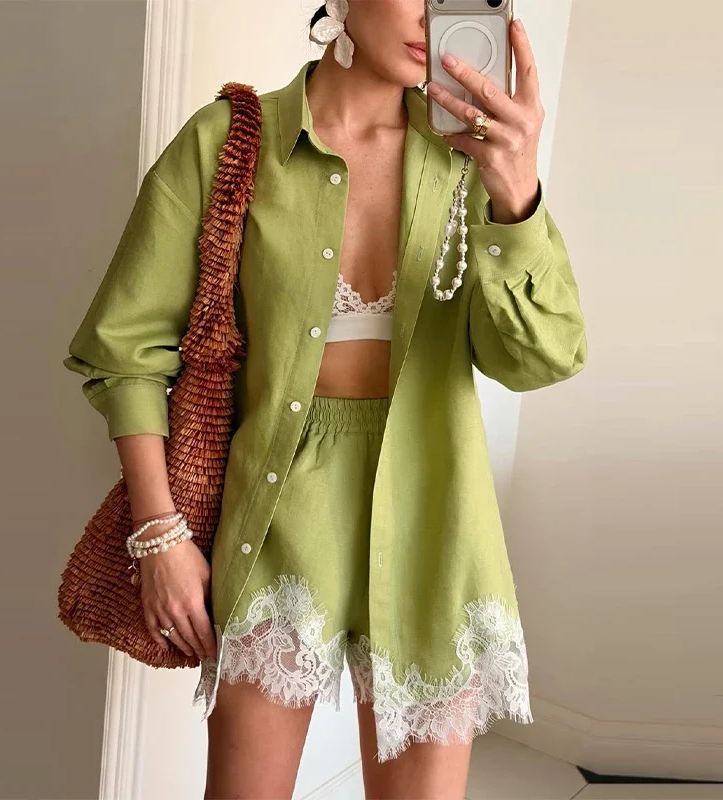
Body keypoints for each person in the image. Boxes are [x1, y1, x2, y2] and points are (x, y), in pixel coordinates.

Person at [64, 2, 587, 797]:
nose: (432, 13)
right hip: (279, 513)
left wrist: (516, 196)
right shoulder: (230, 143)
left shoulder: (472, 158)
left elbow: (541, 358)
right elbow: (125, 353)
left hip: (436, 514)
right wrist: (159, 534)